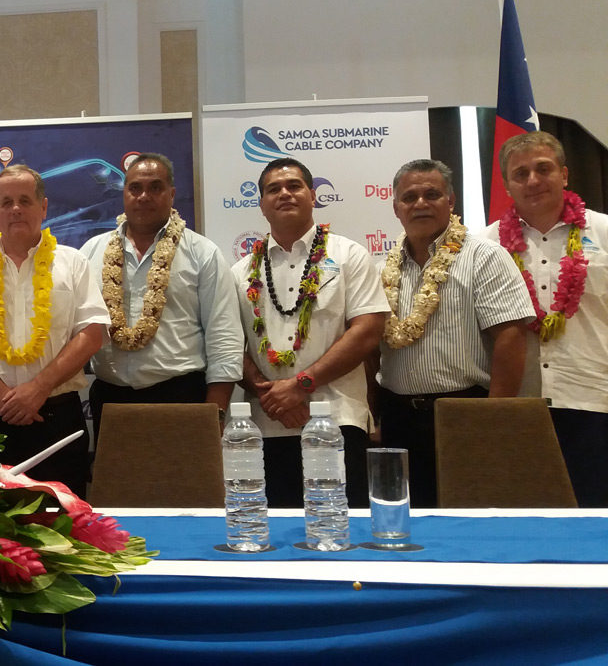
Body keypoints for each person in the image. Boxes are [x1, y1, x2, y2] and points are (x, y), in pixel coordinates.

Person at [0, 165, 109, 497]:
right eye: (6, 202)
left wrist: (38, 389)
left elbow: (92, 334)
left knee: (62, 525)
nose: (16, 209)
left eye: (25, 200)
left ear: (43, 207)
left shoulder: (72, 263)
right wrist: (4, 397)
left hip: (58, 417)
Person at [376, 158, 534, 507]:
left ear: (451, 201)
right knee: (404, 520)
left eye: (431, 194)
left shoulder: (485, 256)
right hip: (398, 417)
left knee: (467, 515)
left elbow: (510, 337)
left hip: (465, 410)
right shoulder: (381, 269)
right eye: (409, 197)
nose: (420, 203)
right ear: (396, 207)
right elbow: (373, 348)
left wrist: (493, 419)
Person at [232, 159, 388, 508]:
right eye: (273, 189)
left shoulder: (349, 256)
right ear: (260, 203)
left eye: (294, 186)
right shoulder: (241, 271)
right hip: (267, 423)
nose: (284, 193)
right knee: (276, 538)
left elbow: (367, 332)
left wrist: (301, 385)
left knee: (342, 533)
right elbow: (229, 342)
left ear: (313, 195)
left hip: (337, 419)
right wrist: (271, 396)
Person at [475, 132, 608, 507]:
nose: (533, 180)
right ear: (507, 185)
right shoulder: (484, 246)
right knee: (527, 515)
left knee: (597, 518)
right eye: (521, 173)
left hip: (594, 400)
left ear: (564, 175)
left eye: (543, 169)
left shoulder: (604, 232)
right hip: (518, 404)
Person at [80, 152, 242, 439]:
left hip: (181, 398)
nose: (144, 196)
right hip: (110, 401)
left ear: (171, 194)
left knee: (181, 485)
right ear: (124, 194)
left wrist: (215, 414)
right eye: (135, 188)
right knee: (118, 485)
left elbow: (224, 336)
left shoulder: (202, 253)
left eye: (155, 187)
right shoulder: (91, 253)